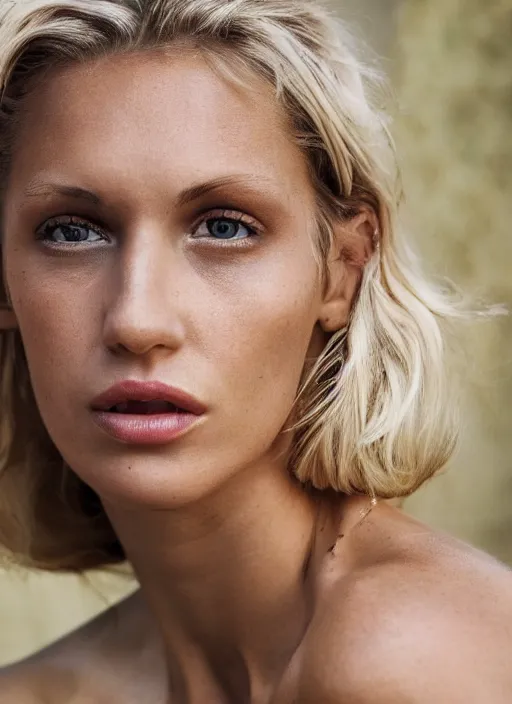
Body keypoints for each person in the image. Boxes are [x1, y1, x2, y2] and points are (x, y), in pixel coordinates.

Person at [0, 0, 510, 701]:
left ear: (342, 268)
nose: (138, 319)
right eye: (72, 232)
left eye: (224, 227)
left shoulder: (418, 655)